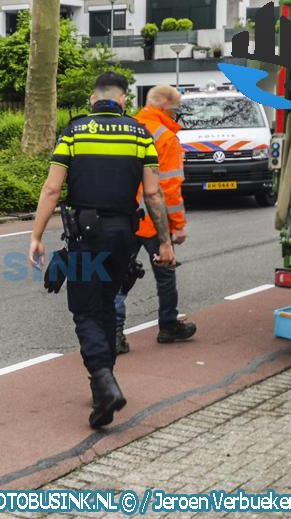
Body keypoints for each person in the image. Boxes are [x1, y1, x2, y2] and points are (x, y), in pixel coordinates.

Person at [28, 72, 176, 429]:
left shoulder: (74, 133)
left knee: (85, 311)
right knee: (107, 305)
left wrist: (36, 235)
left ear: (93, 99)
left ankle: (103, 380)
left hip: (86, 236)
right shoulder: (140, 134)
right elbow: (153, 194)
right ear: (123, 100)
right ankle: (102, 388)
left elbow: (52, 189)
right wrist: (165, 241)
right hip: (124, 234)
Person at [114, 86, 197, 353]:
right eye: (176, 108)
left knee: (118, 276)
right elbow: (169, 188)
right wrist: (178, 225)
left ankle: (114, 334)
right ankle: (168, 326)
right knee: (165, 272)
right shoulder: (166, 137)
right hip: (152, 219)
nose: (177, 114)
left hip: (123, 216)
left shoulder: (127, 128)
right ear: (163, 106)